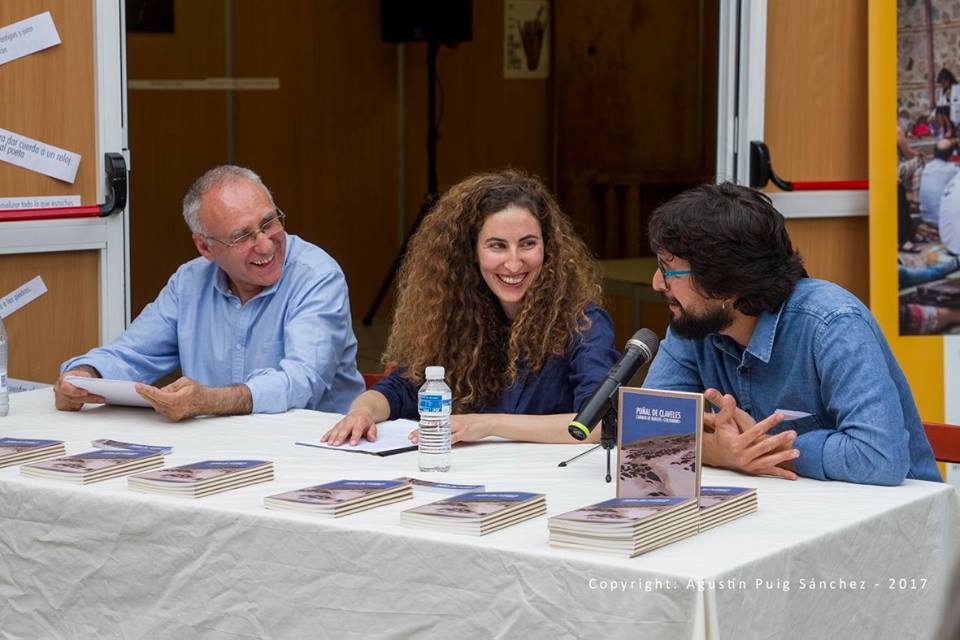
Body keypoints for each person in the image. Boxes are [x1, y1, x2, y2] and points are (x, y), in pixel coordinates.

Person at [641, 182, 940, 486]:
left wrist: (760, 448)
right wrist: (719, 453)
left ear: (726, 286)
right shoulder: (695, 323)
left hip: (890, 518)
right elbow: (645, 429)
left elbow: (879, 458)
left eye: (669, 271)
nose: (656, 283)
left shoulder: (833, 323)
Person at [321, 170, 620, 446]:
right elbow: (401, 388)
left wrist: (486, 425)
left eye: (528, 244)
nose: (514, 263)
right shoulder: (457, 317)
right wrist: (362, 411)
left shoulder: (584, 323)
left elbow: (598, 424)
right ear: (472, 253)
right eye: (497, 246)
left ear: (548, 248)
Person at [54, 165, 365, 421]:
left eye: (269, 222)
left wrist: (211, 401)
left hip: (310, 450)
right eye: (242, 236)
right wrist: (83, 375)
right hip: (213, 450)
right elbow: (131, 354)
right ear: (205, 247)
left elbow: (303, 381)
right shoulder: (189, 282)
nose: (266, 244)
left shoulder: (317, 276)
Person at [919, 138, 957, 228]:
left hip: (926, 217)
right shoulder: (953, 170)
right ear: (951, 155)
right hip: (945, 221)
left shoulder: (927, 168)